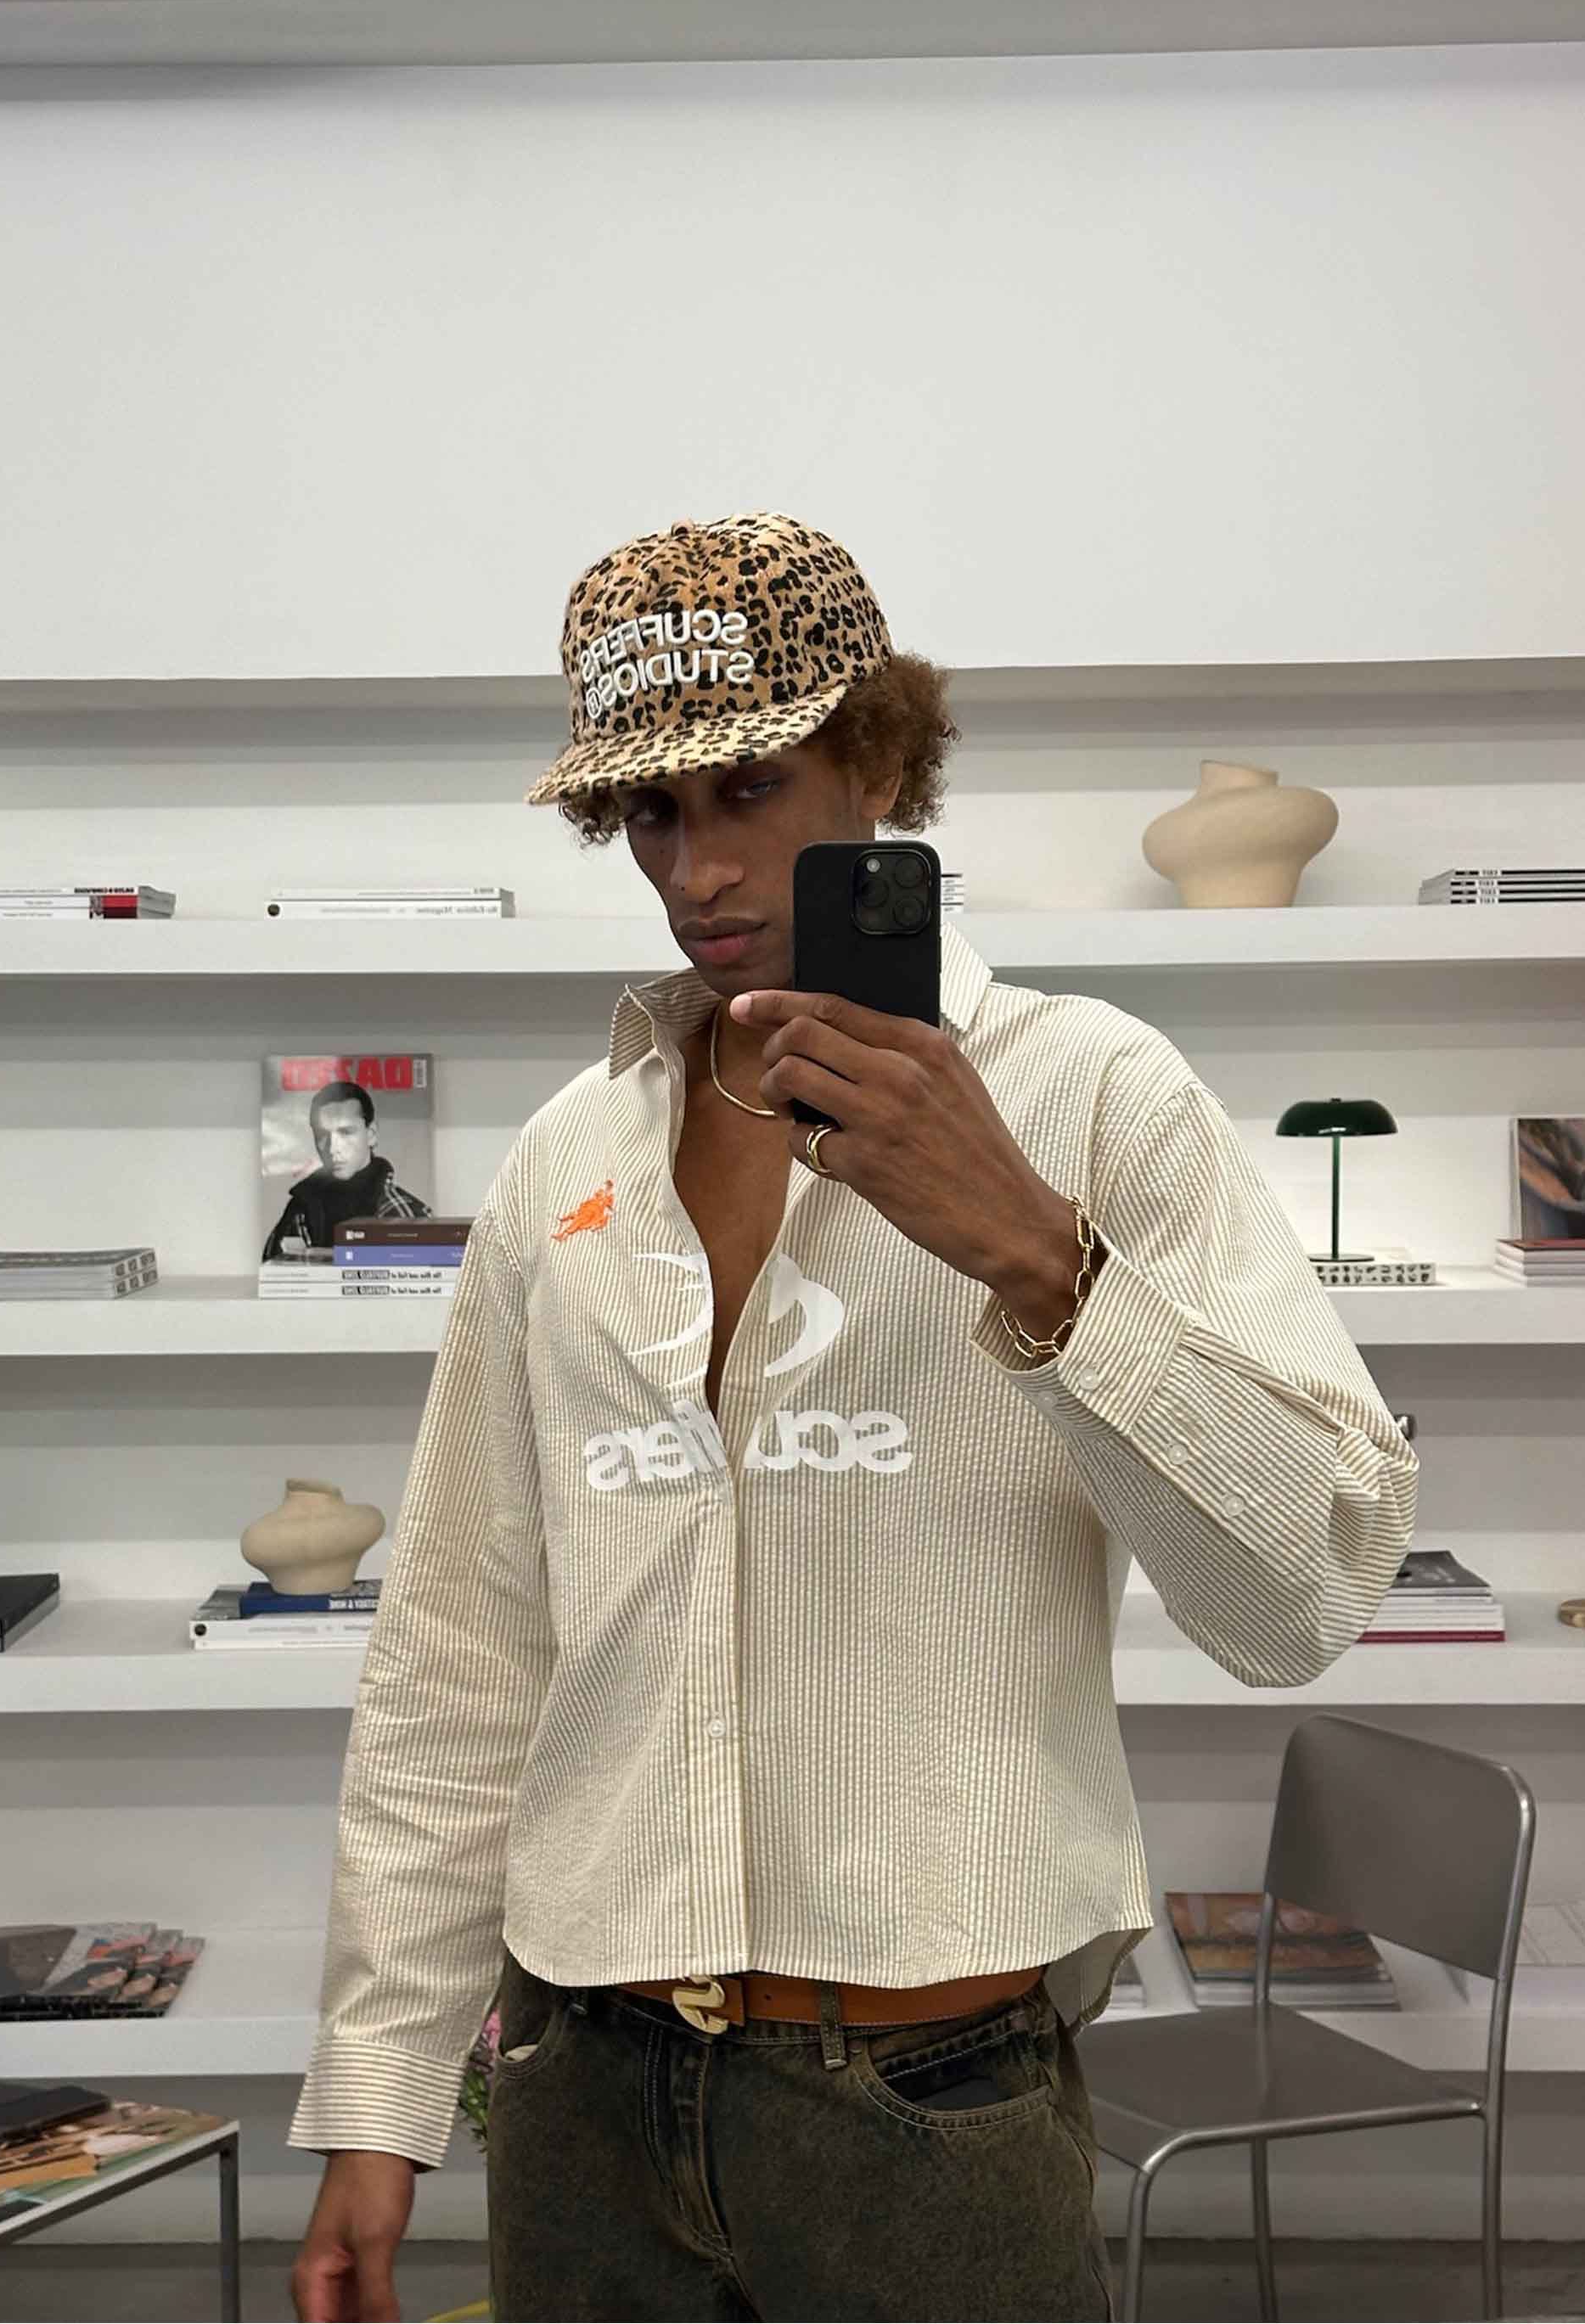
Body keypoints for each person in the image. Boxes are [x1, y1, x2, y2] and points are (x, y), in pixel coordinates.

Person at [288, 513, 1417, 2323]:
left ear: (876, 763)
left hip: (926, 2099)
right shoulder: (566, 1157)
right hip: (580, 2087)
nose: (698, 867)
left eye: (746, 787)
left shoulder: (1094, 1093)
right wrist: (379, 2092)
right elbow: (462, 1649)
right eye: (650, 811)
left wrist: (1039, 1256)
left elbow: (1308, 1588)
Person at [261, 1079, 431, 1260]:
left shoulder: (409, 1215)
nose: (333, 1148)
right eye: (322, 1135)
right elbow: (270, 1272)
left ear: (371, 1135)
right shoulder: (298, 1211)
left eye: (346, 1132)